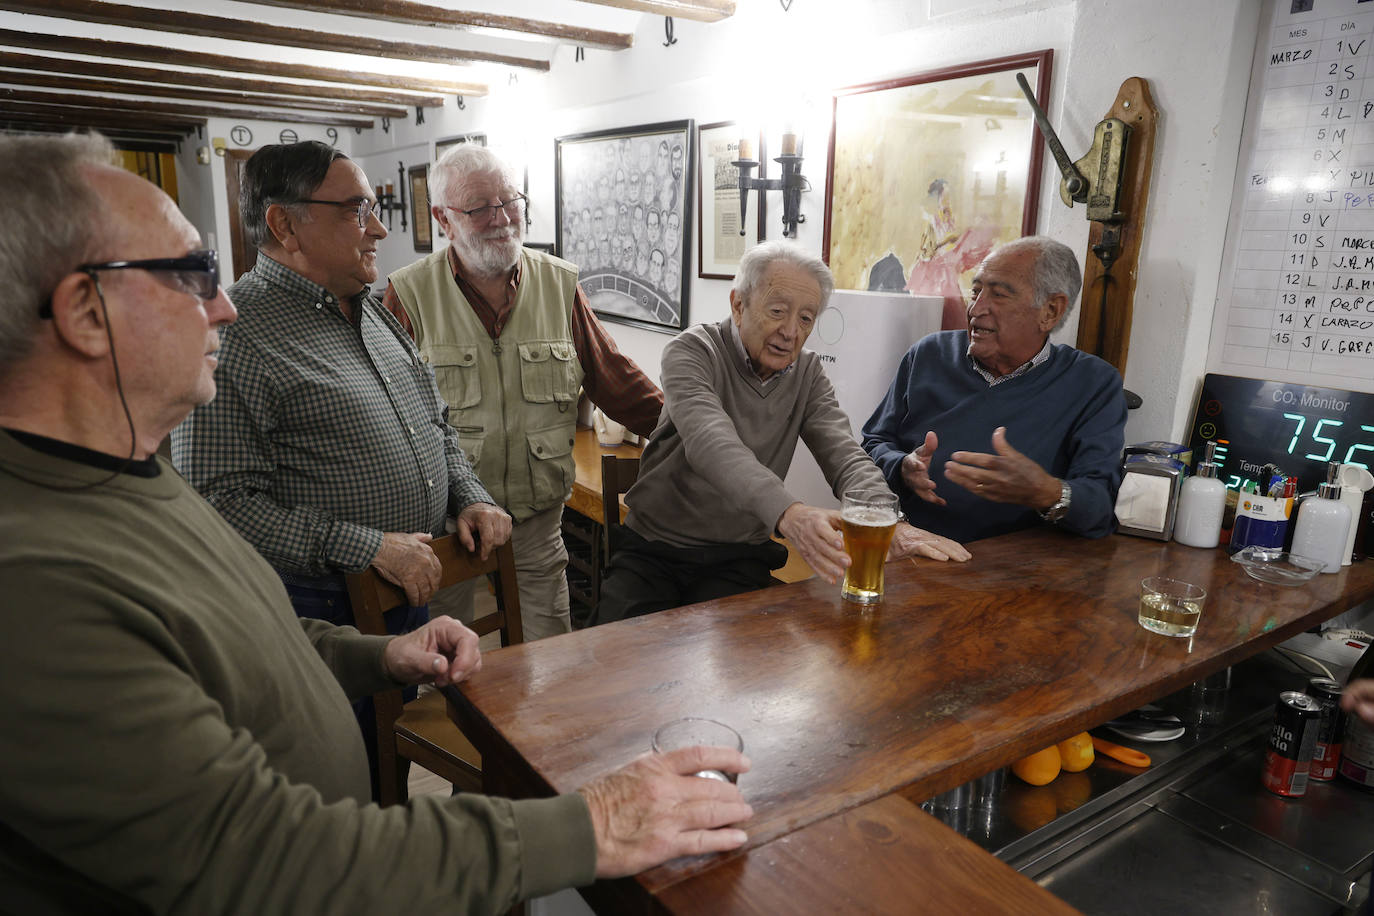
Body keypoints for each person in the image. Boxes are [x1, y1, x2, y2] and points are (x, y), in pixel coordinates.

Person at [0, 131, 751, 914]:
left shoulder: (127, 474)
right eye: (191, 274)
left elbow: (249, 627)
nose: (220, 304)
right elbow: (264, 860)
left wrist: (378, 655)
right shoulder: (32, 586)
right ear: (85, 313)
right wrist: (591, 827)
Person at [171, 140, 511, 798]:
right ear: (284, 224)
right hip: (317, 616)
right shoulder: (240, 332)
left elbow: (434, 422)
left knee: (387, 781)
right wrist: (367, 546)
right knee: (338, 791)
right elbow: (218, 502)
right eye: (358, 211)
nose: (379, 227)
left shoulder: (375, 312)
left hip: (406, 601)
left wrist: (469, 494)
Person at [593, 241, 969, 624]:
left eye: (806, 319)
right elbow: (711, 443)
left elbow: (845, 456)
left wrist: (893, 523)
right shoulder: (692, 352)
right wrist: (791, 514)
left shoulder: (807, 374)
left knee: (744, 670)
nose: (791, 331)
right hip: (654, 551)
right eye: (777, 311)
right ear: (738, 305)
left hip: (737, 557)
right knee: (619, 662)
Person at [383, 144, 662, 638]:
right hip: (443, 529)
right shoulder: (407, 295)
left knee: (550, 661)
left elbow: (614, 380)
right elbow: (382, 416)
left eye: (510, 201)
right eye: (480, 208)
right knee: (441, 669)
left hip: (535, 522)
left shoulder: (558, 285)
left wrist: (699, 437)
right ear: (443, 219)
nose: (502, 218)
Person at [862, 236, 1128, 543]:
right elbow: (872, 443)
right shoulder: (929, 354)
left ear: (1050, 311)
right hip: (912, 544)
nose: (976, 309)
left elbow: (1100, 506)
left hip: (1015, 569)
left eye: (998, 295)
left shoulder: (1092, 383)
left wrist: (1046, 492)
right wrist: (901, 468)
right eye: (975, 292)